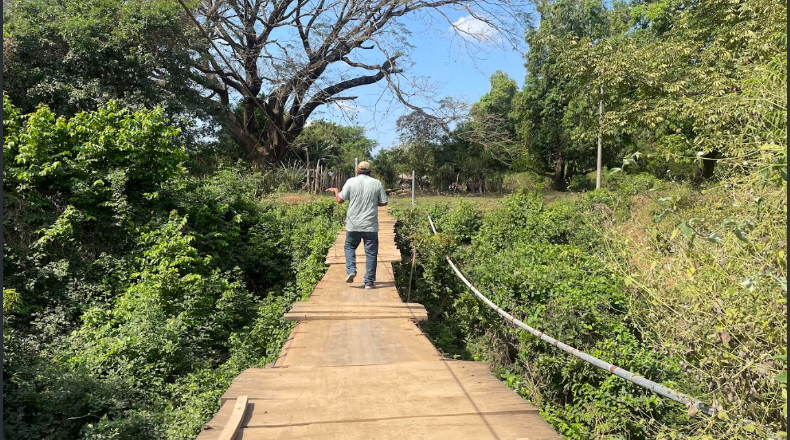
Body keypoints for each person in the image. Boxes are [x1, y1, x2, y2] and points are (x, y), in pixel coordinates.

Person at [325, 161, 388, 289]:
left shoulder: (350, 182)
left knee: (349, 247)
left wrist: (336, 191)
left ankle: (351, 270)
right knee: (371, 253)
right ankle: (369, 282)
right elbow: (384, 202)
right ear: (370, 172)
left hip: (353, 225)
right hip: (370, 226)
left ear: (356, 171)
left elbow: (340, 200)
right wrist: (372, 203)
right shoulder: (376, 183)